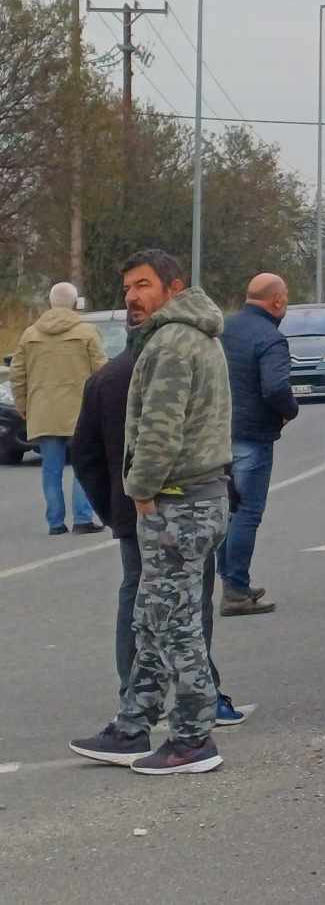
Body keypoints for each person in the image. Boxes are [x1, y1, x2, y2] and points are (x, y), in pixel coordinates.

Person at [69, 249, 234, 775]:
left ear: (173, 287)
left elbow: (160, 430)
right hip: (188, 498)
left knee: (175, 623)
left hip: (179, 502)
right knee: (150, 618)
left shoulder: (173, 343)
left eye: (142, 285)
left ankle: (192, 739)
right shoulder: (187, 337)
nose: (132, 298)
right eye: (126, 289)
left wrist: (140, 487)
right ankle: (133, 724)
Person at [218, 273, 295, 613]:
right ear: (276, 301)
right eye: (286, 298)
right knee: (247, 511)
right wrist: (289, 411)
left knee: (227, 509)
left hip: (219, 432)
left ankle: (228, 578)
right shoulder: (271, 338)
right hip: (252, 434)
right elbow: (276, 387)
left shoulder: (224, 328)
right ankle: (235, 589)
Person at [13, 281, 107, 535]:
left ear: (50, 303)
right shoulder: (87, 332)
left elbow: (18, 374)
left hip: (43, 412)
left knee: (50, 470)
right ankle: (82, 519)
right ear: (76, 304)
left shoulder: (30, 334)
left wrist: (22, 404)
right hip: (80, 412)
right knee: (82, 467)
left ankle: (55, 523)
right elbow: (101, 372)